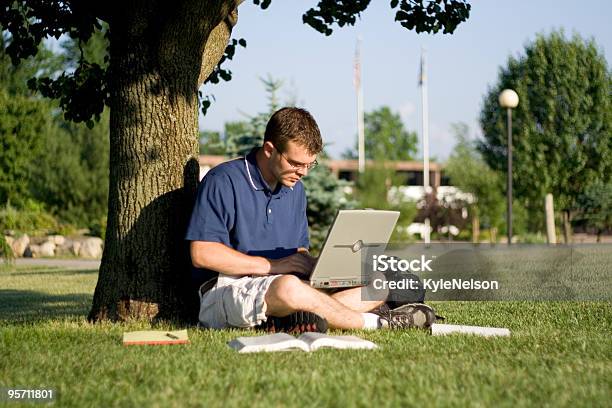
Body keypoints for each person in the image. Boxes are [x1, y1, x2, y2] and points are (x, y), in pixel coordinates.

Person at [186, 107, 435, 332]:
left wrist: (320, 267)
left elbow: (298, 251)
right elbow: (202, 254)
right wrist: (275, 266)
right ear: (270, 149)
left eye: (310, 164)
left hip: (285, 284)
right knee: (289, 288)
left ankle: (288, 320)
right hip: (227, 288)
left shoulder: (295, 188)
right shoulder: (224, 180)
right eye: (296, 163)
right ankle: (377, 323)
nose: (303, 172)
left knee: (377, 285)